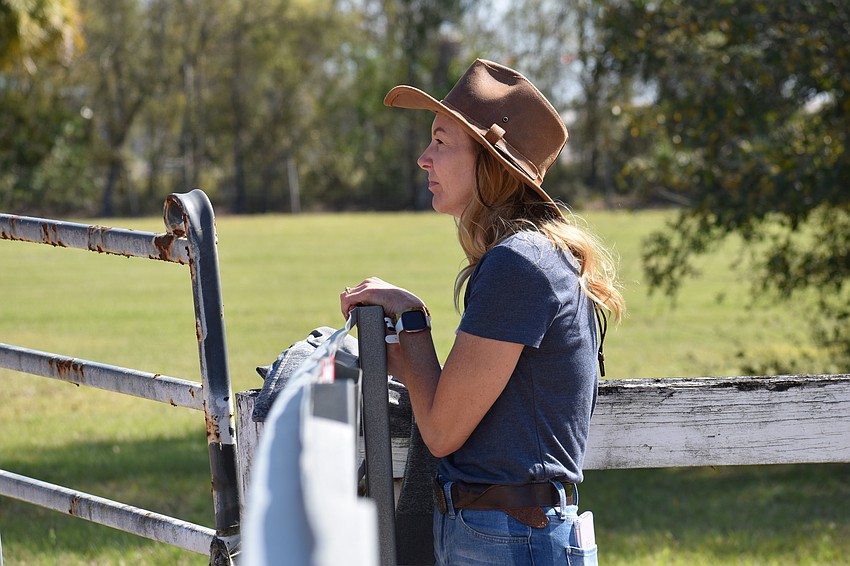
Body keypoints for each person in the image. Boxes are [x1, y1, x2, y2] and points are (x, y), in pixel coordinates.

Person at [340, 59, 624, 566]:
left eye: (442, 142)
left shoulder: (519, 264)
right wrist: (393, 345)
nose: (424, 159)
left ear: (490, 163)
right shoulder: (531, 258)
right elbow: (478, 399)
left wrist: (413, 321)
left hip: (509, 540)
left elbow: (444, 430)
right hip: (504, 533)